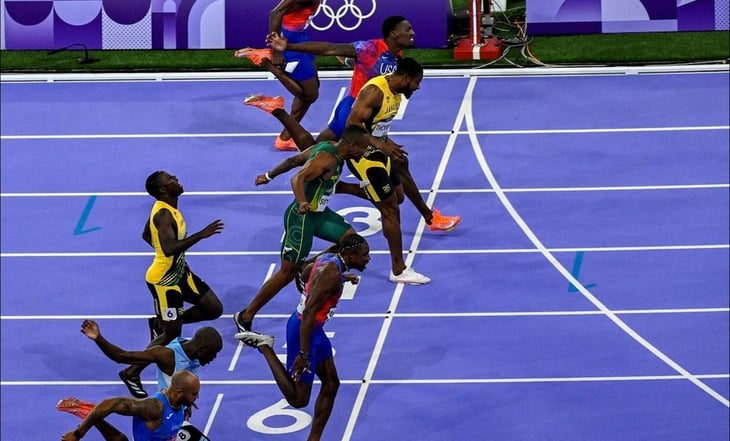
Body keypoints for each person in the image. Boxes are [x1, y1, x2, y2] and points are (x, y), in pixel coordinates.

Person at [243, 59, 461, 284]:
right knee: (390, 209)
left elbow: (376, 128)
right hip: (362, 155)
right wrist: (380, 145)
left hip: (376, 148)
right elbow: (352, 127)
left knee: (397, 194)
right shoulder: (375, 92)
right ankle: (398, 269)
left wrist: (385, 144)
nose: (417, 87)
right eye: (416, 82)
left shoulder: (395, 94)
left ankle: (281, 114)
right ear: (405, 78)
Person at [232, 125, 372, 334]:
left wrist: (269, 175)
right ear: (352, 146)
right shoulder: (327, 157)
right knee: (286, 272)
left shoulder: (329, 149)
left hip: (320, 215)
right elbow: (297, 177)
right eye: (363, 148)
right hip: (302, 218)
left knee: (352, 241)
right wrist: (302, 202)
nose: (364, 153)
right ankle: (246, 315)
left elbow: (293, 160)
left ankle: (306, 267)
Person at [235, 234, 371, 441]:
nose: (368, 258)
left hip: (312, 329)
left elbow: (305, 272)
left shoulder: (328, 261)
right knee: (299, 399)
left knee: (331, 384)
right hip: (304, 330)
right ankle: (265, 347)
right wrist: (304, 353)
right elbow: (308, 311)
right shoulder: (332, 273)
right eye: (364, 255)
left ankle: (314, 439)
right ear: (351, 255)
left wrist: (339, 280)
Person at [119, 171, 225, 399]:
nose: (176, 178)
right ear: (162, 190)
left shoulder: (165, 208)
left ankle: (164, 321)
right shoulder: (164, 214)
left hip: (180, 273)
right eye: (170, 178)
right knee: (171, 334)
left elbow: (147, 235)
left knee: (214, 308)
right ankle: (131, 372)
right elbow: (167, 248)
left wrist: (173, 260)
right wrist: (201, 235)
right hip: (164, 281)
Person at [57, 320, 221, 440]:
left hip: (174, 412)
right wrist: (98, 338)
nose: (213, 359)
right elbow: (122, 357)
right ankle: (82, 408)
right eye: (213, 354)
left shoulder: (194, 353)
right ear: (202, 349)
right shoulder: (166, 359)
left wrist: (188, 399)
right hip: (163, 413)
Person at [264, 15, 415, 143]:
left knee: (318, 150)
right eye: (407, 29)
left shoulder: (398, 56)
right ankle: (279, 112)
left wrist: (350, 61)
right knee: (325, 156)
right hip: (354, 110)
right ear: (394, 34)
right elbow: (329, 48)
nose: (412, 33)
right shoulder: (370, 48)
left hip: (365, 111)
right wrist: (288, 46)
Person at [235, 0, 321, 151]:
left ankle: (285, 138)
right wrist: (275, 51)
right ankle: (266, 62)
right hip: (290, 45)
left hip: (301, 38)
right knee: (309, 95)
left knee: (311, 90)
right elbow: (275, 13)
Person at [59, 370, 201, 441]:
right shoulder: (154, 408)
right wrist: (78, 434)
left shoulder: (181, 402)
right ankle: (85, 410)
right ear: (178, 392)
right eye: (194, 394)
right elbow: (111, 404)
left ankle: (89, 411)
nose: (197, 397)